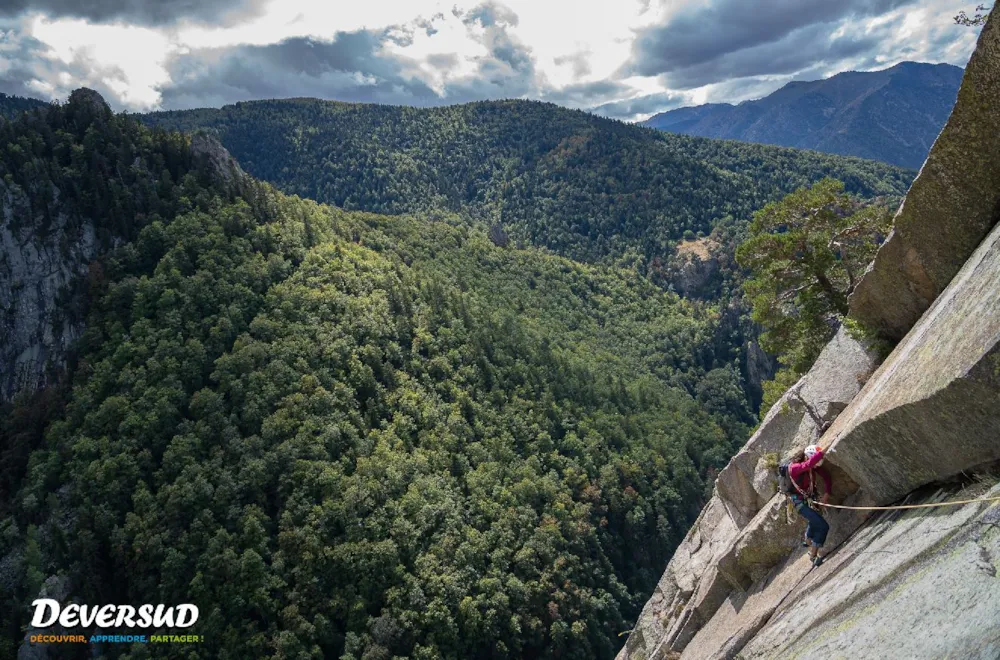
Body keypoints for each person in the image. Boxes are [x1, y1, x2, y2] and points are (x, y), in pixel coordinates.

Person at [788, 444, 831, 566]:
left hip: (808, 500)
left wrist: (826, 494)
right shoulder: (795, 468)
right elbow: (807, 465)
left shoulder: (811, 467)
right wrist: (823, 451)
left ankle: (808, 538)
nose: (817, 465)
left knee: (815, 520)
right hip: (799, 503)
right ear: (808, 457)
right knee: (823, 526)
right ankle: (813, 555)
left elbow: (827, 477)